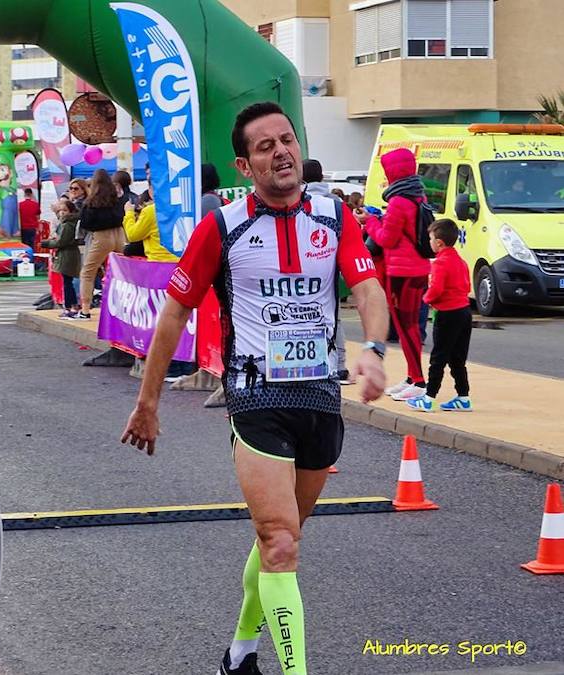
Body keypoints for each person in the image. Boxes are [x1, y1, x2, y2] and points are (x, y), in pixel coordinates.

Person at [120, 102, 388, 675]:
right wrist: (148, 401)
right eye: (265, 146)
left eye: (286, 139)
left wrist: (375, 349)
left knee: (281, 539)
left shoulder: (335, 217)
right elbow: (172, 315)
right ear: (246, 166)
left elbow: (367, 288)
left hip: (318, 396)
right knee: (280, 541)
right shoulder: (222, 227)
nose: (281, 151)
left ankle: (239, 651)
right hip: (256, 396)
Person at [358, 147, 431, 401]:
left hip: (403, 272)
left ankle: (419, 381)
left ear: (393, 172)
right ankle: (412, 377)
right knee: (407, 326)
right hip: (416, 269)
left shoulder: (399, 201)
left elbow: (386, 239)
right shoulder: (417, 196)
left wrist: (371, 222)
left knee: (407, 327)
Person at [407, 218, 473, 413]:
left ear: (439, 243)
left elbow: (436, 289)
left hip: (446, 314)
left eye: (430, 238)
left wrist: (425, 300)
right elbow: (467, 286)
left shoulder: (440, 263)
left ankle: (429, 397)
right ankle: (463, 396)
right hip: (464, 312)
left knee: (438, 357)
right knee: (457, 358)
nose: (429, 242)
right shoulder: (461, 261)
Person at [303, 159, 351, 384]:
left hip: (304, 270)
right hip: (334, 269)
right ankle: (339, 366)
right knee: (334, 318)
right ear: (322, 177)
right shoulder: (336, 202)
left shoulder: (299, 201)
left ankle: (309, 363)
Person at [72, 169, 126, 321]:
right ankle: (124, 308)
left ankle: (85, 310)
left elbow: (86, 223)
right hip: (119, 234)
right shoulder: (117, 199)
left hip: (101, 237)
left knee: (88, 273)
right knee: (124, 271)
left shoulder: (91, 202)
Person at [41, 198, 81, 318]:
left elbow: (62, 242)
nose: (62, 213)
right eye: (60, 210)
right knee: (68, 282)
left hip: (67, 255)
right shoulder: (68, 223)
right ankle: (72, 306)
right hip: (68, 254)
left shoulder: (67, 224)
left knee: (67, 282)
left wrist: (46, 243)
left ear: (70, 211)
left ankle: (69, 307)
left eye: (65, 210)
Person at [123, 181, 176, 263]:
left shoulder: (151, 211)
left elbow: (132, 235)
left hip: (159, 263)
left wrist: (129, 213)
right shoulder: (182, 208)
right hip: (181, 263)